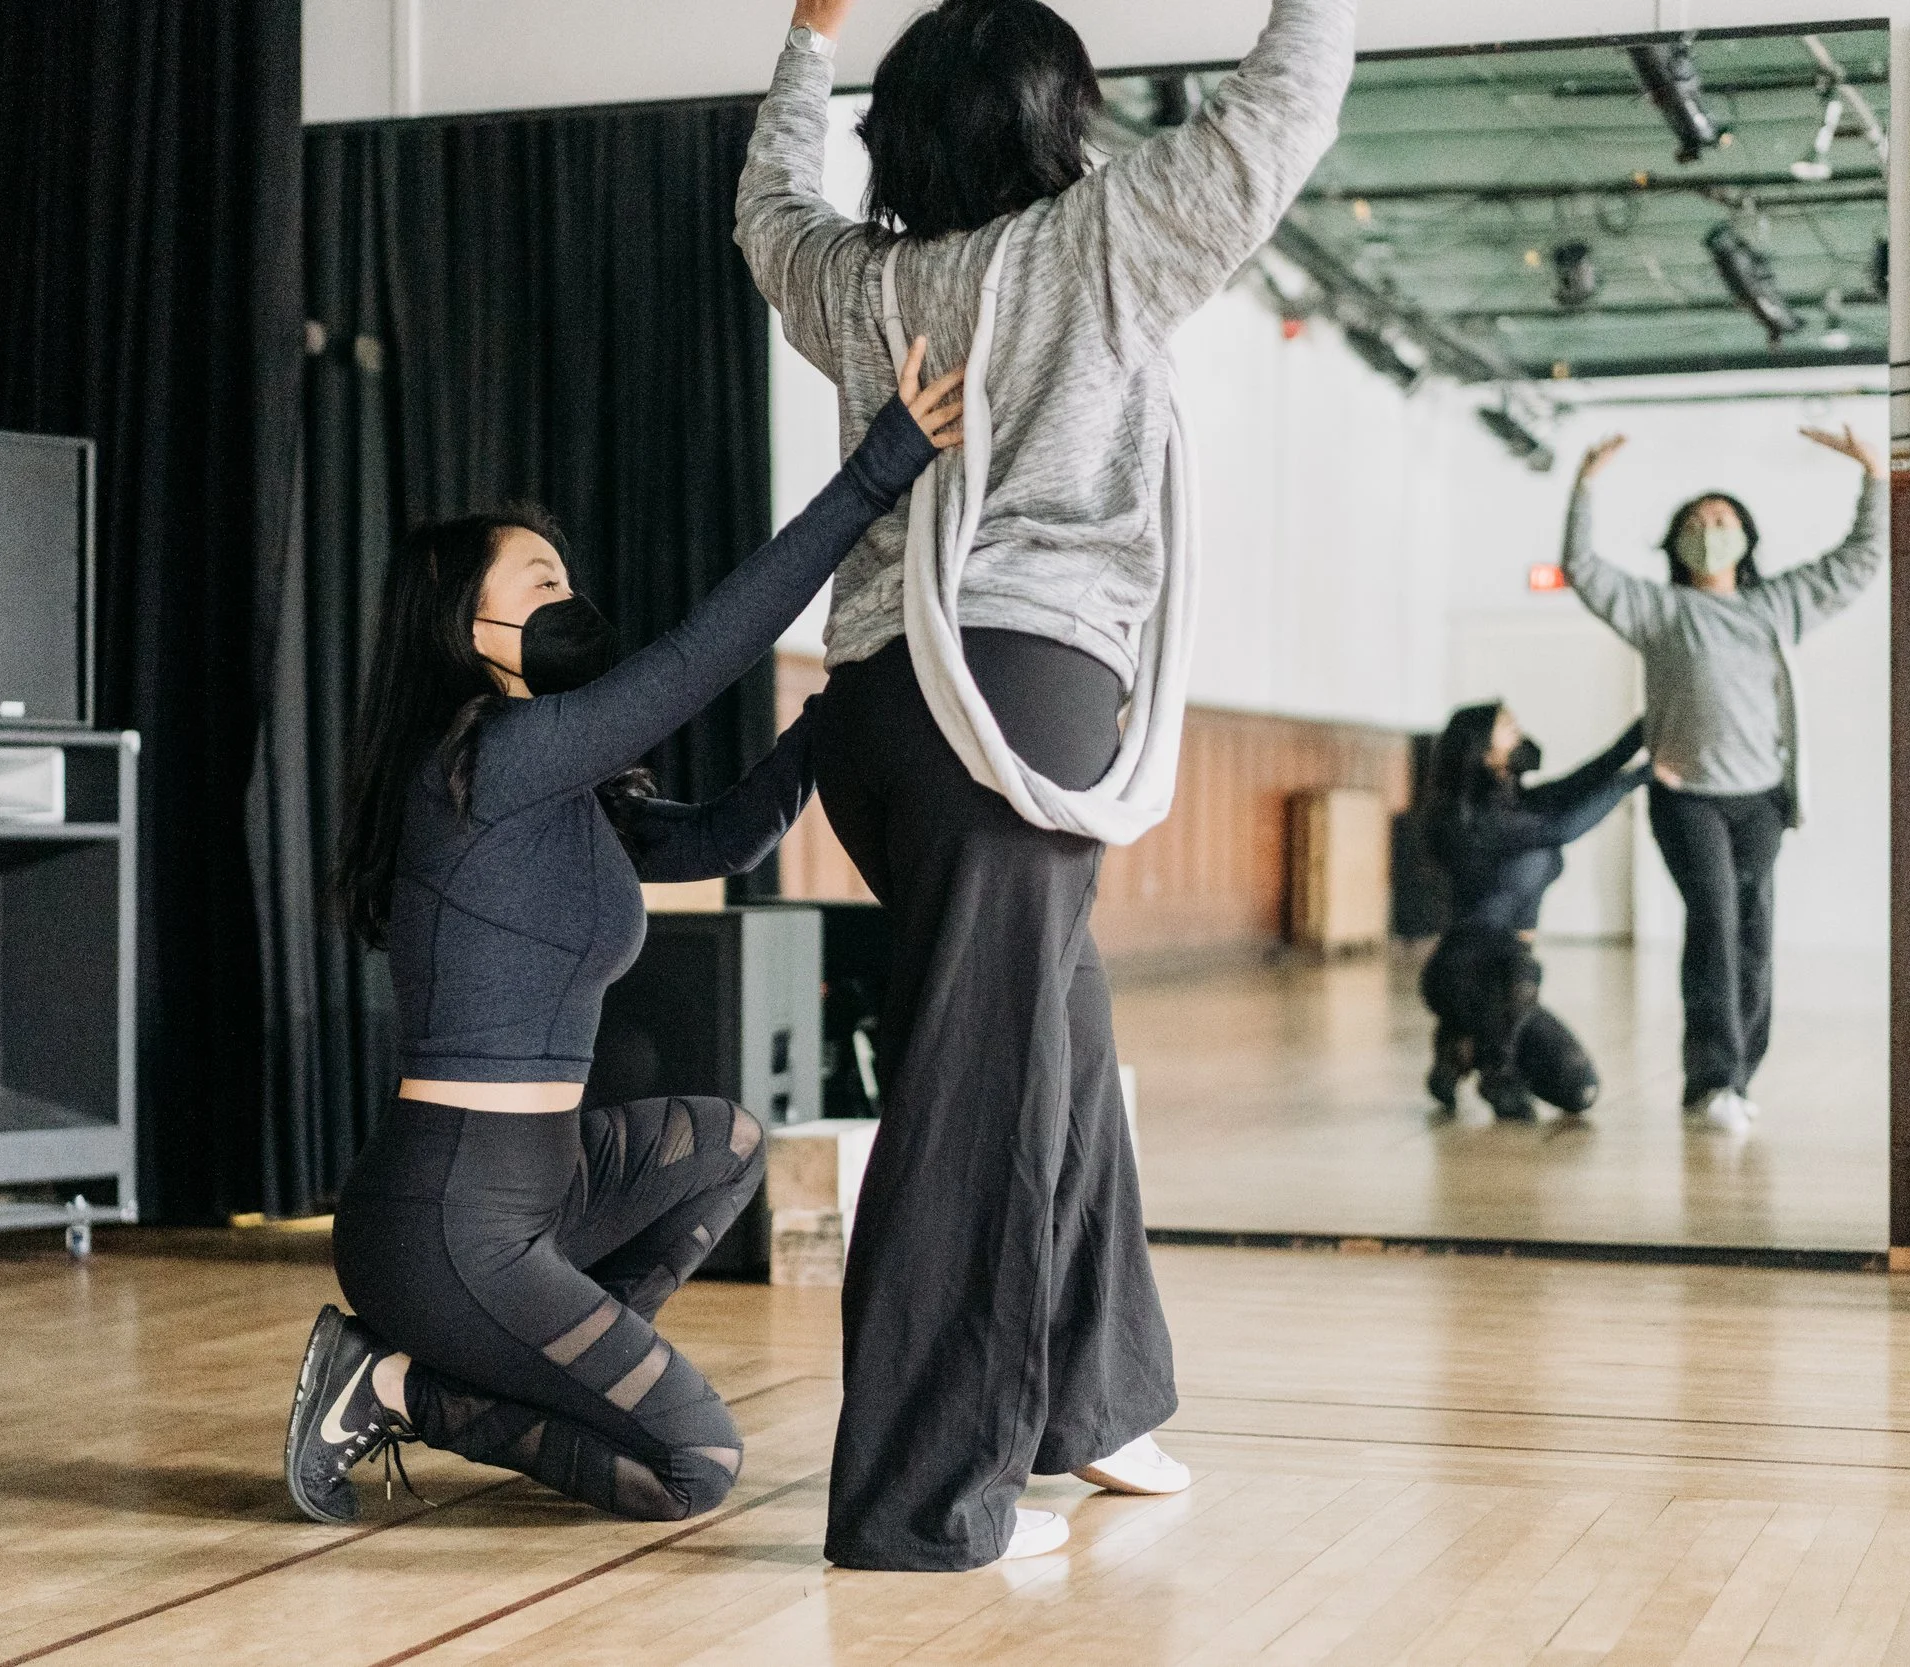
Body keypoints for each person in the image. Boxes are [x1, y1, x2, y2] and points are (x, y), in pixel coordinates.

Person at [738, 0, 1359, 1570]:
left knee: (1059, 1046)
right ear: (1050, 119)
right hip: (1009, 700)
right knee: (982, 1094)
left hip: (879, 712)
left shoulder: (861, 282)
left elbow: (768, 207)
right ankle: (921, 1499)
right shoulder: (1097, 244)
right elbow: (1281, 111)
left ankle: (1092, 1396)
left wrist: (806, 42)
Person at [278, 353, 964, 1527]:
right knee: (695, 1462)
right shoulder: (487, 755)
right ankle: (396, 1387)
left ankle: (540, 1368)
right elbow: (700, 655)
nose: (569, 595)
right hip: (447, 1218)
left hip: (538, 1192)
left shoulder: (555, 787)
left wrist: (844, 699)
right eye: (540, 579)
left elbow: (730, 836)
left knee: (727, 1142)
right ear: (468, 620)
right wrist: (876, 471)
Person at [1564, 426, 1888, 1135]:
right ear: (1677, 542)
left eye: (1722, 521)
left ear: (1745, 538)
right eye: (1696, 522)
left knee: (1753, 936)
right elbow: (1583, 569)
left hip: (1761, 800)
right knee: (1713, 925)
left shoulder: (1777, 605)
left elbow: (1861, 559)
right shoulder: (1660, 612)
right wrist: (1584, 483)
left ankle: (1736, 1078)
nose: (1710, 532)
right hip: (1687, 799)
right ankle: (1712, 1079)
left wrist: (1872, 473)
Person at [1417, 704, 1651, 1123]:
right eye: (1507, 728)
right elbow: (1562, 827)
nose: (1520, 733)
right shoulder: (1474, 820)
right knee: (1521, 970)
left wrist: (1645, 730)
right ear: (1483, 751)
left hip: (1505, 989)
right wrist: (1638, 778)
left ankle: (1458, 1045)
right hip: (1466, 974)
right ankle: (1496, 1073)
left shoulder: (1516, 802)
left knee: (1579, 1089)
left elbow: (1580, 782)